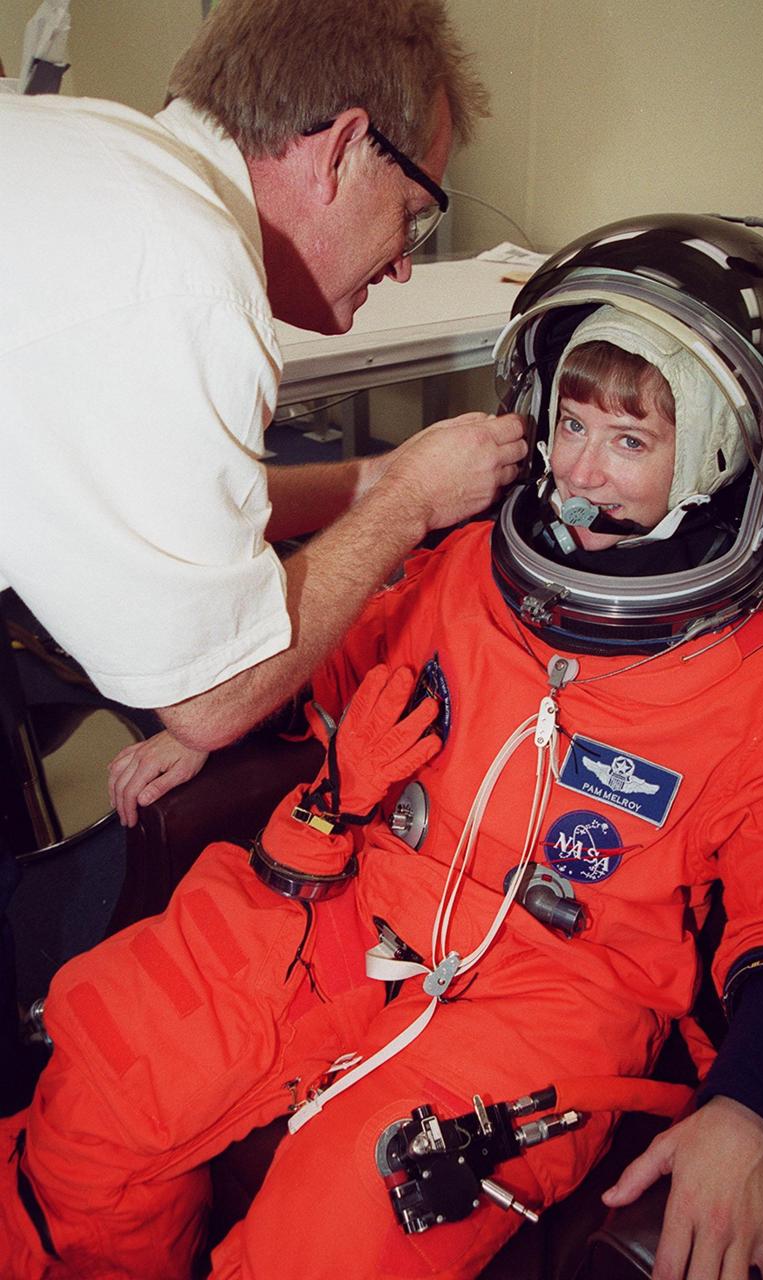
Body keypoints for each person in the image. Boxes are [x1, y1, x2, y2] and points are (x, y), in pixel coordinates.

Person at [2, 214, 763, 1280]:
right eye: (571, 422)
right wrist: (239, 719)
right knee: (103, 1084)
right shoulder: (470, 571)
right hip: (356, 902)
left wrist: (754, 1105)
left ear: (728, 458)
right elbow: (348, 656)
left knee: (335, 1227)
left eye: (631, 442)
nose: (581, 470)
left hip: (556, 999)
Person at [0, 0, 525, 1110]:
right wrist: (413, 500)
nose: (398, 270)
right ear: (342, 149)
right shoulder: (186, 276)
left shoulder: (106, 164)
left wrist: (365, 483)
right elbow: (215, 695)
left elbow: (164, 495)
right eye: (414, 216)